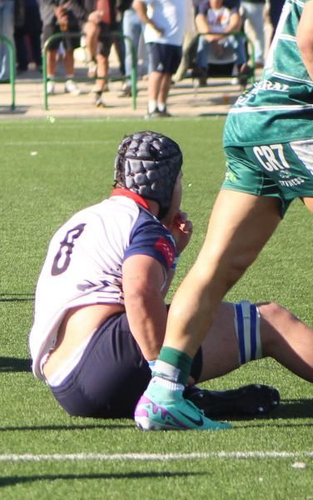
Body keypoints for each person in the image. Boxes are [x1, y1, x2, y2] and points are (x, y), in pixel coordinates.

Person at [136, 0, 313, 429]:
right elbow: (311, 38)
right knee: (215, 265)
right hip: (297, 119)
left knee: (215, 266)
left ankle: (164, 392)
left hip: (255, 121)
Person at [30, 132, 308, 421]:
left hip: (64, 383)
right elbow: (139, 292)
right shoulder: (143, 224)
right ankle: (173, 396)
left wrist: (171, 251)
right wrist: (164, 377)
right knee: (272, 322)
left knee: (165, 321)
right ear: (164, 185)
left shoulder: (84, 218)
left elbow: (128, 300)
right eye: (179, 181)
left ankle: (195, 399)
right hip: (106, 361)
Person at [133, 0, 187, 117]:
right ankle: (151, 106)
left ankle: (162, 105)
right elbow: (138, 3)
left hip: (175, 38)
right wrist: (151, 23)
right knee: (157, 71)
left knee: (168, 73)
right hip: (159, 37)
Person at [80, 0, 131, 108]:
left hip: (108, 24)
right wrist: (88, 15)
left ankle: (98, 93)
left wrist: (119, 9)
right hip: (89, 22)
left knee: (104, 60)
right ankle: (90, 59)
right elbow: (73, 2)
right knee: (92, 29)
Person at [183, 0, 247, 86]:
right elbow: (202, 27)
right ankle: (201, 70)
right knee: (202, 39)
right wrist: (214, 40)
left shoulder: (230, 6)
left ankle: (242, 68)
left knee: (237, 38)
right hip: (210, 41)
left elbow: (235, 24)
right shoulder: (204, 7)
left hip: (227, 41)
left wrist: (218, 37)